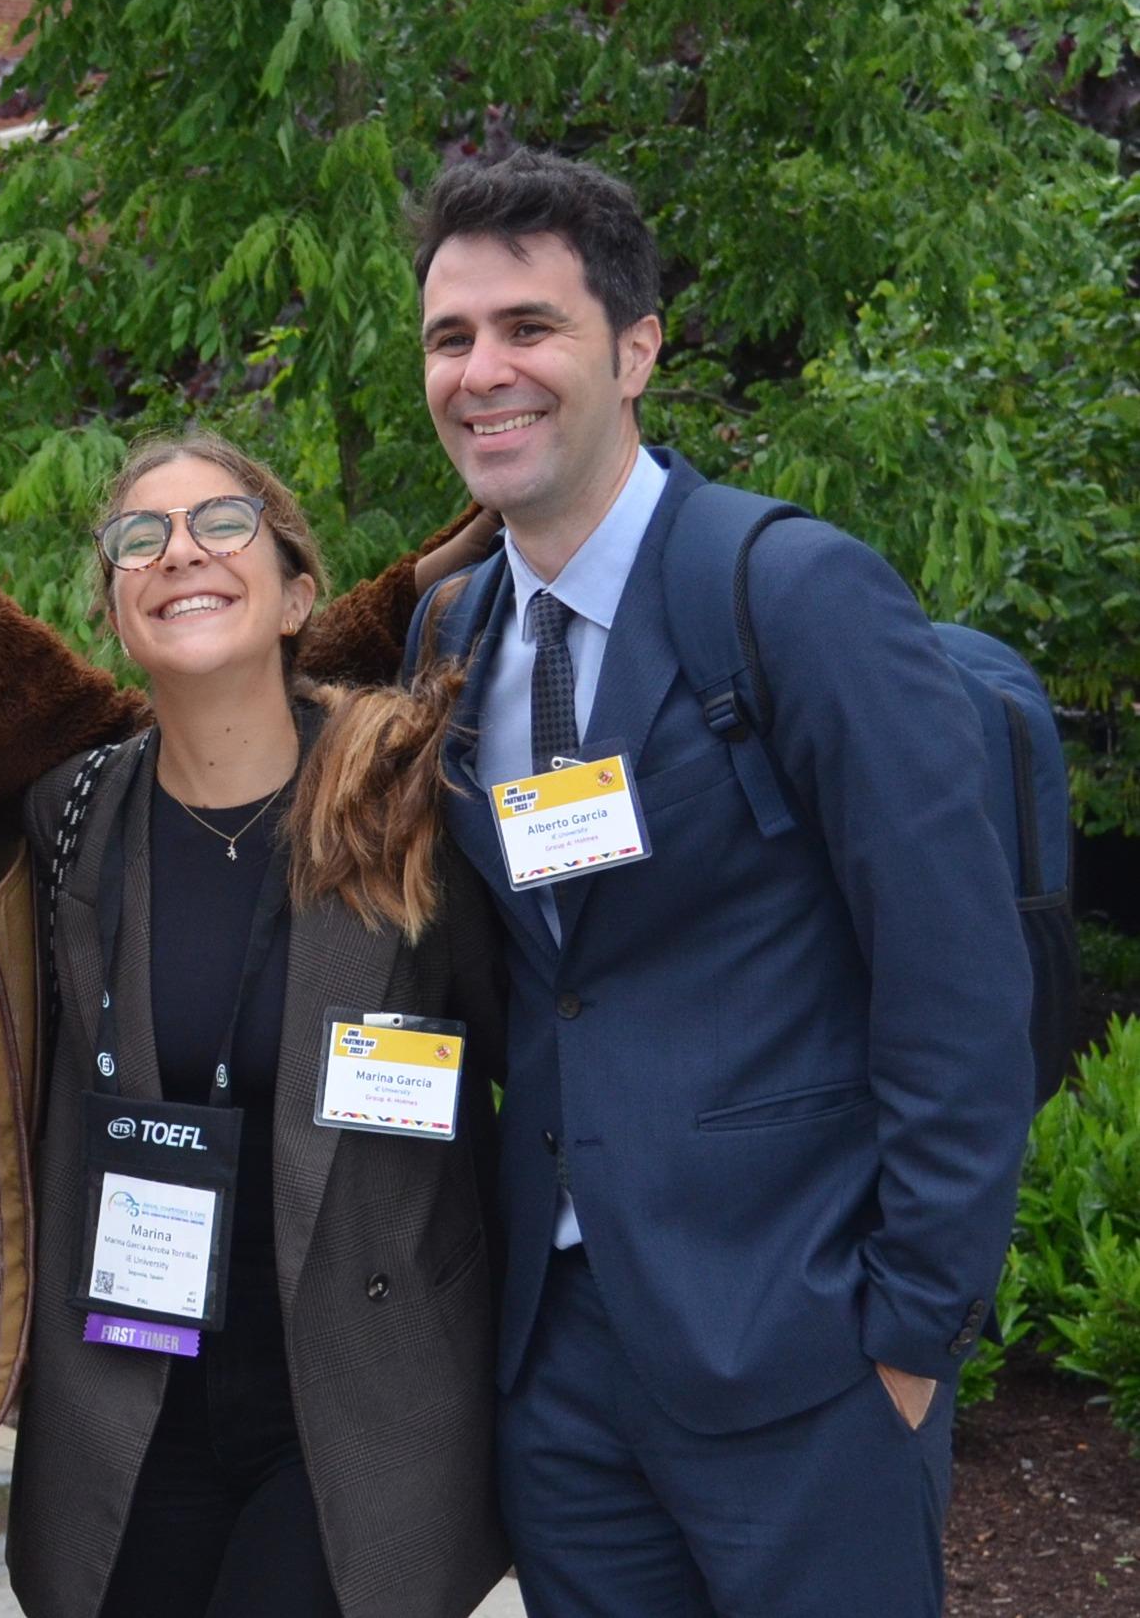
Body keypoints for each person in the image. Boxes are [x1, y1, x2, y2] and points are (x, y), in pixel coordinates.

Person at [399, 148, 1032, 1617]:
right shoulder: (450, 631)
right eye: (451, 336)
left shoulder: (793, 593)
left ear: (635, 349)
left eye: (528, 328)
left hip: (806, 1352)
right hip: (558, 1370)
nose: (484, 370)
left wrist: (910, 1331)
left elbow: (956, 983)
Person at [7, 432, 509, 1618]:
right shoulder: (71, 820)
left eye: (220, 523)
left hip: (352, 1400)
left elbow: (538, 1061)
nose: (178, 549)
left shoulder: (409, 805)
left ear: (295, 593)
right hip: (135, 1400)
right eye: (141, 537)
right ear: (118, 618)